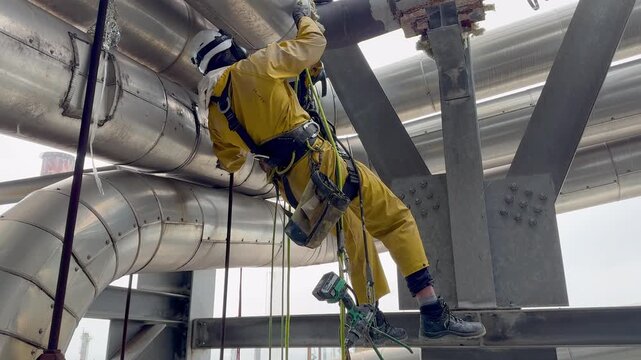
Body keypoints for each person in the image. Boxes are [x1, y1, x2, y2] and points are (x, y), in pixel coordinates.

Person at [189, 2, 486, 343]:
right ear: (231, 50)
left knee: (354, 235)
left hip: (293, 186)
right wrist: (305, 19)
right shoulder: (254, 67)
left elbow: (231, 162)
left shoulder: (216, 113)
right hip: (319, 162)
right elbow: (313, 46)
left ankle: (371, 313)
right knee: (395, 219)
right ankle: (432, 310)